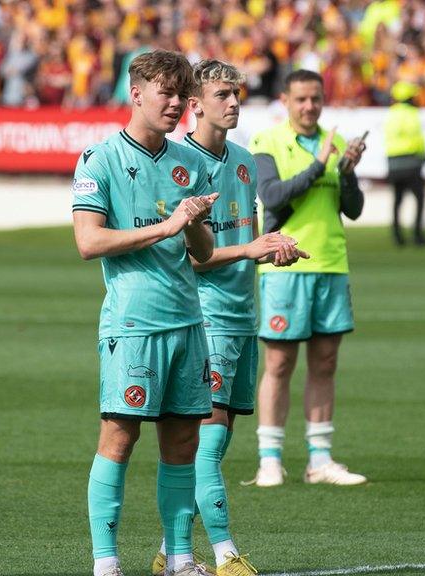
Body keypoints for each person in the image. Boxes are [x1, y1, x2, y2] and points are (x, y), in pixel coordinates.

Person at [149, 59, 307, 576]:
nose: (234, 103)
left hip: (243, 317)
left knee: (211, 444)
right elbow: (192, 255)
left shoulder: (242, 160)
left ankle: (169, 548)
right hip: (204, 319)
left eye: (236, 94)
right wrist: (250, 250)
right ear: (195, 104)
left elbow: (248, 237)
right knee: (207, 448)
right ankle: (224, 554)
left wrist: (275, 248)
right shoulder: (178, 164)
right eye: (223, 95)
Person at [71, 49, 220, 576]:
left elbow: (201, 254)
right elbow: (88, 242)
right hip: (133, 325)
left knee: (183, 440)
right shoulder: (99, 159)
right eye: (166, 92)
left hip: (187, 323)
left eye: (182, 95)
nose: (176, 103)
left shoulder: (193, 162)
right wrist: (167, 226)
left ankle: (179, 559)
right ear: (136, 93)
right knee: (119, 436)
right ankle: (105, 563)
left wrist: (195, 220)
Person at [248, 69, 367, 487]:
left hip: (330, 264)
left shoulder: (334, 146)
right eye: (300, 99)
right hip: (284, 265)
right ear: (285, 100)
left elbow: (352, 210)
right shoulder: (268, 141)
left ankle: (319, 459)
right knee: (278, 362)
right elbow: (272, 195)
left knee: (326, 363)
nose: (309, 106)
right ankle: (269, 458)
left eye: (315, 98)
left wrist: (347, 171)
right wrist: (320, 165)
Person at [384, 81, 425, 246]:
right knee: (420, 198)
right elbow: (418, 137)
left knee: (397, 200)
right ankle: (418, 235)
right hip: (411, 162)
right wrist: (424, 155)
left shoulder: (391, 113)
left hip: (393, 163)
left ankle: (397, 236)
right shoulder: (412, 113)